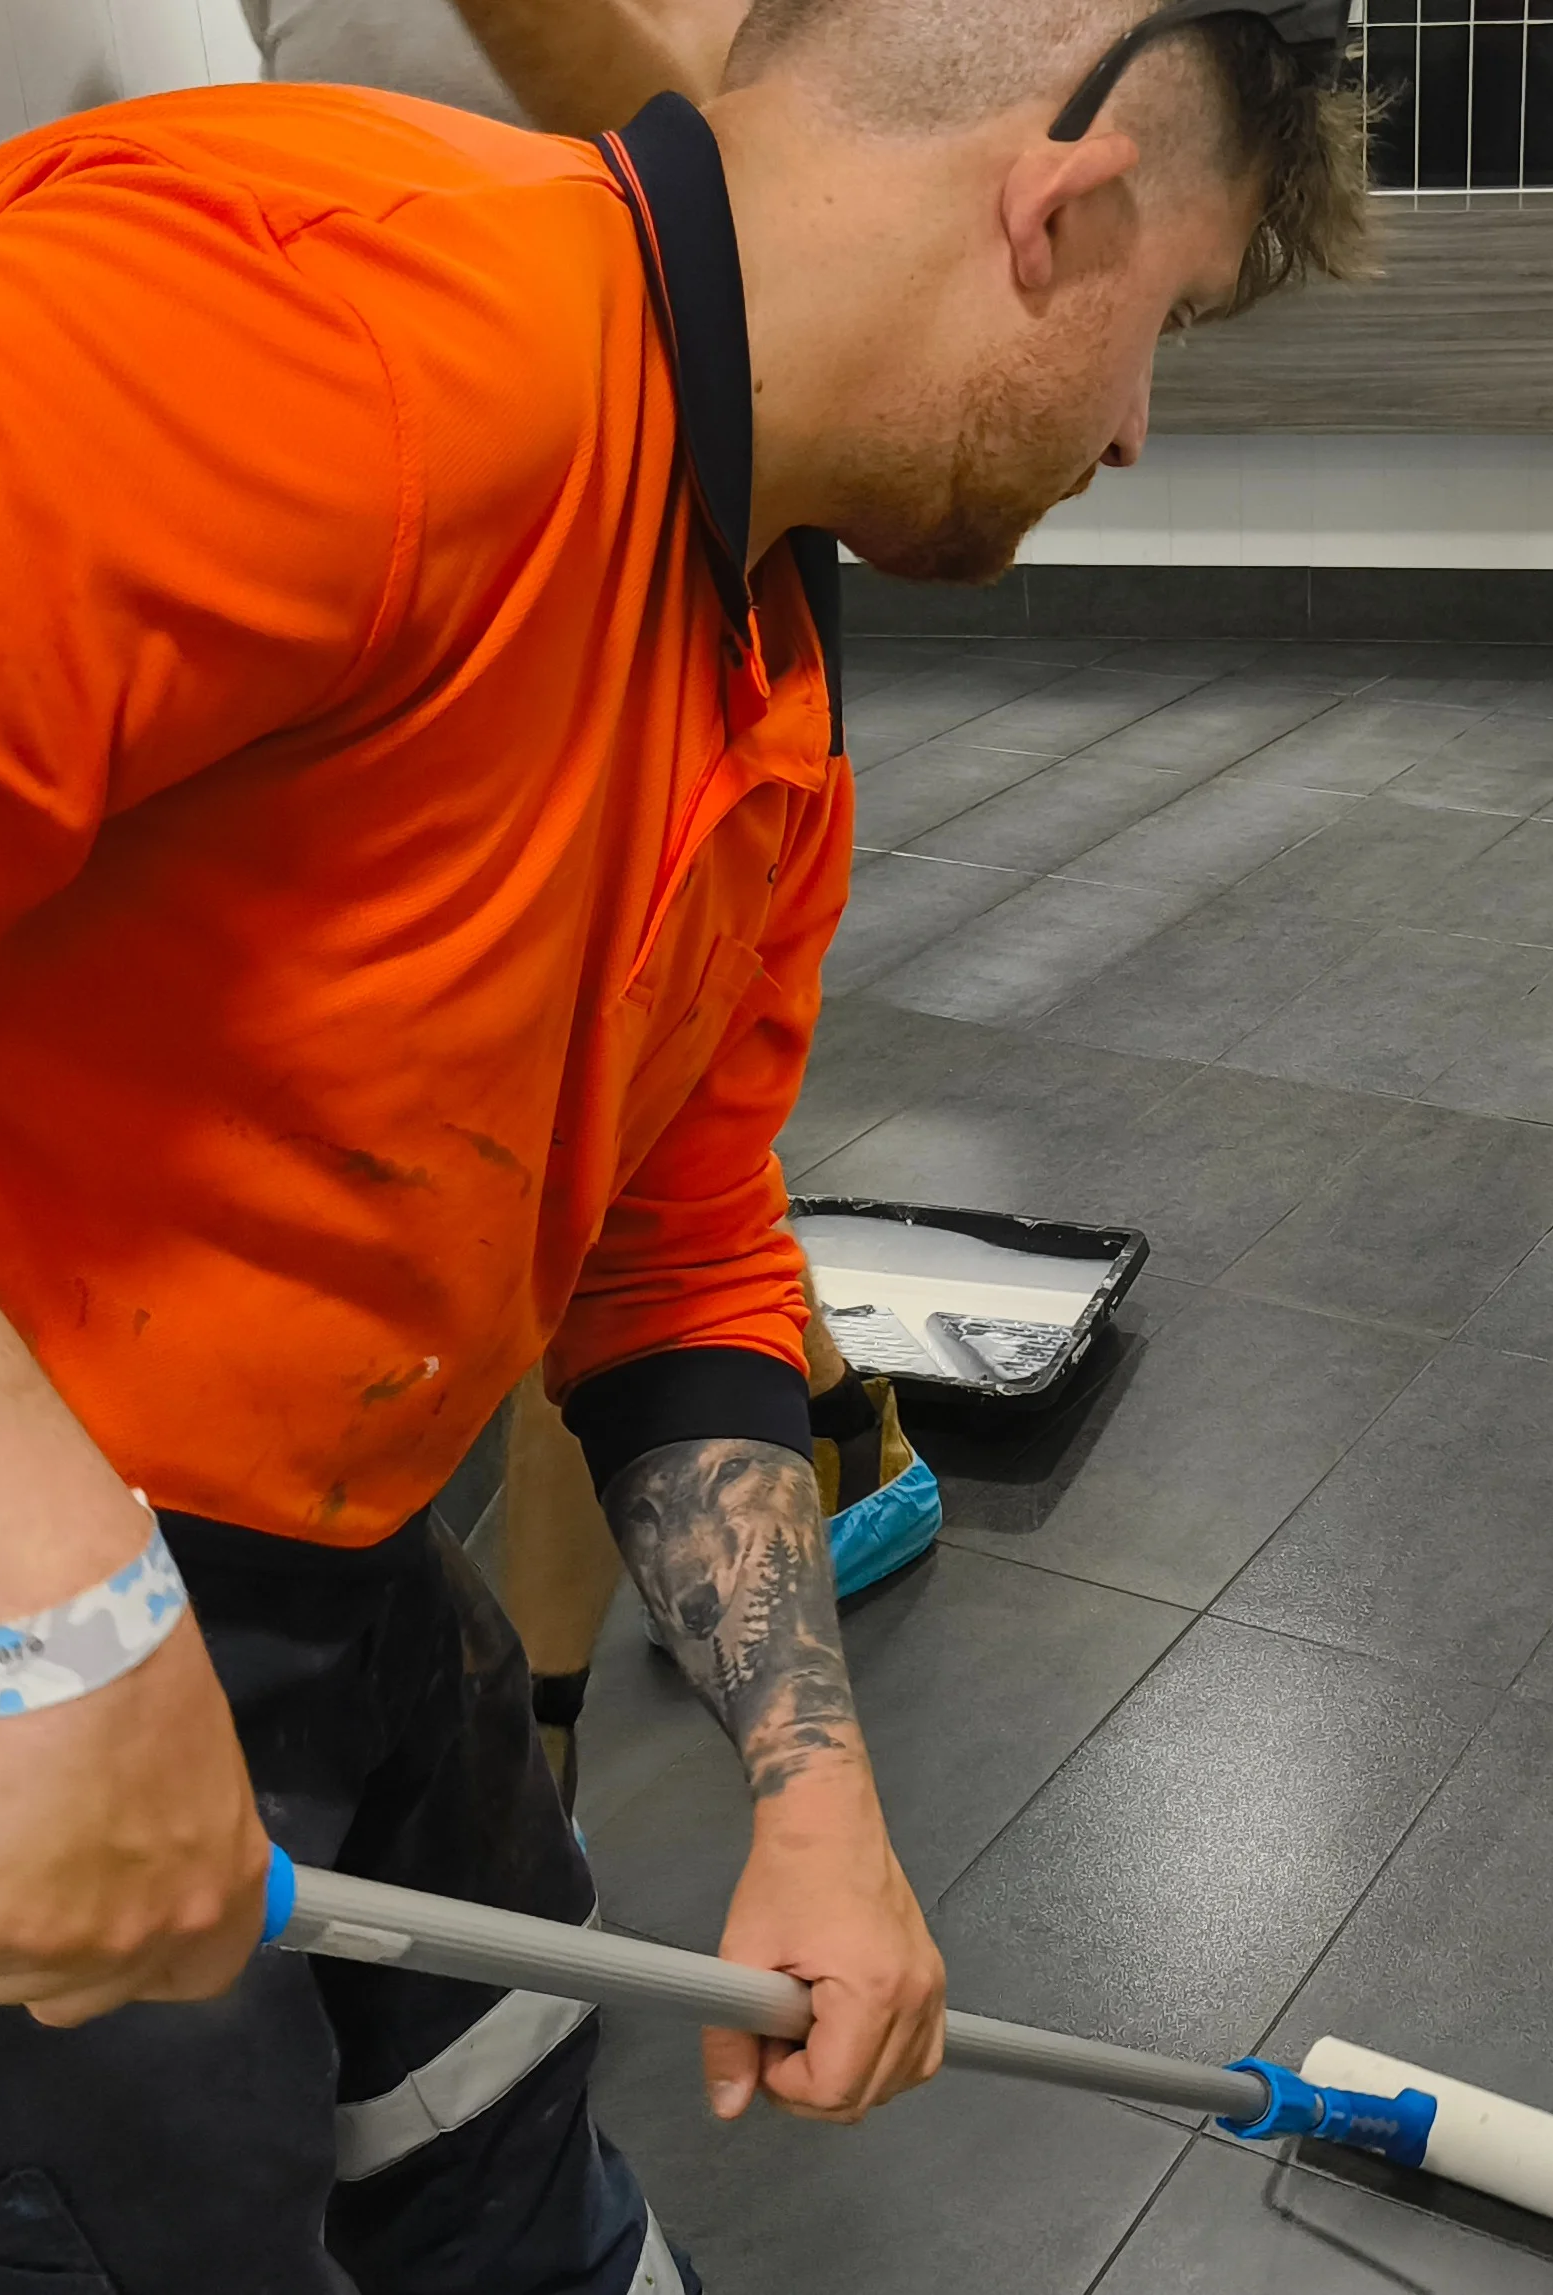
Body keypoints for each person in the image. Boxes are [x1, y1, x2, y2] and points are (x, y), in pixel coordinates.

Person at [0, 2, 1372, 2287]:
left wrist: (814, 1795)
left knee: (491, 2044)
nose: (1133, 430)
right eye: (1167, 332)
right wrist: (62, 1624)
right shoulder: (346, 329)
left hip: (214, 1461)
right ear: (1065, 210)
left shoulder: (752, 657)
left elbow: (673, 1248)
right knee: (148, 2206)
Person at [233, 0, 945, 1810]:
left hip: (666, 450)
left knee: (618, 1134)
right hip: (426, 461)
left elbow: (733, 176)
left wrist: (808, 1786)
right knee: (534, 1114)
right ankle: (839, 1415)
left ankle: (538, 1734)